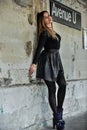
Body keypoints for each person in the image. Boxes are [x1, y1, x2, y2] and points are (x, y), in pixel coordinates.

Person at [29, 10, 66, 130]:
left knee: (63, 84)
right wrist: (34, 64)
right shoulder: (44, 33)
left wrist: (51, 27)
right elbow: (39, 49)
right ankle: (58, 118)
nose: (49, 18)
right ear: (42, 21)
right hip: (47, 62)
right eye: (46, 17)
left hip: (57, 61)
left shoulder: (55, 34)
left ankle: (58, 114)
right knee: (52, 89)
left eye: (49, 16)